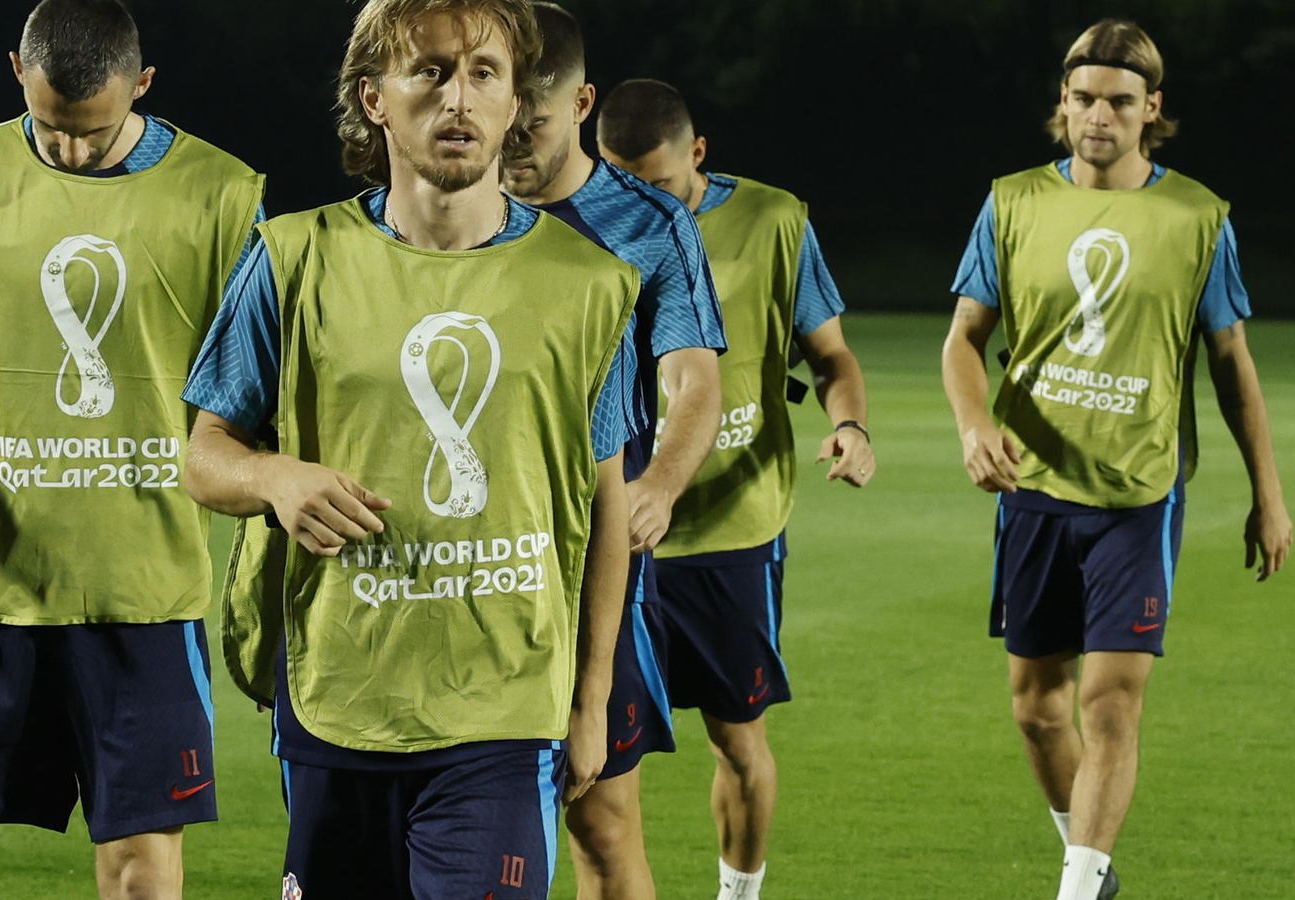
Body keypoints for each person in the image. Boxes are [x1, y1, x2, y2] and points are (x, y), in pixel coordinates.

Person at [179, 1, 637, 897]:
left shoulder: (591, 286)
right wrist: (274, 477)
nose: (456, 98)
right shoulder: (289, 260)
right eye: (428, 71)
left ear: (514, 105)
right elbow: (205, 454)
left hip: (504, 700)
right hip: (340, 691)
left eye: (484, 74)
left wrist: (591, 698)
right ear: (375, 100)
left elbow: (606, 502)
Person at [0, 1, 264, 897]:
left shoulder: (224, 196)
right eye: (49, 127)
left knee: (143, 881)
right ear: (16, 74)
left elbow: (263, 410)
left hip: (142, 594)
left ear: (142, 86)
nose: (70, 150)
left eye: (95, 133)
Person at [939, 19, 1293, 900]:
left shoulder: (1197, 218)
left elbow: (1233, 368)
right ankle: (1091, 864)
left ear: (1152, 111)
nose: (1100, 115)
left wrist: (1268, 495)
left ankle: (1077, 884)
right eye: (1085, 98)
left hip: (1138, 495)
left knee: (1109, 702)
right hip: (1033, 489)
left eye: (1120, 102)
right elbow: (962, 341)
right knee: (1036, 709)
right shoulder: (1013, 201)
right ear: (1063, 103)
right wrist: (974, 425)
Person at [597, 77, 876, 900]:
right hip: (613, 532)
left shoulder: (773, 220)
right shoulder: (579, 224)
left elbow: (830, 358)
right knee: (607, 761)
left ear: (699, 155)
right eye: (619, 182)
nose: (638, 204)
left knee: (739, 741)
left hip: (729, 535)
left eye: (656, 185)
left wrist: (852, 427)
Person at [500, 6, 726, 898]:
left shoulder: (647, 228)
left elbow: (695, 382)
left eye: (535, 124)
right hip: (461, 549)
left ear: (582, 103)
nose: (510, 145)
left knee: (600, 816)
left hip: (593, 554)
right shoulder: (442, 211)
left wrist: (661, 485)